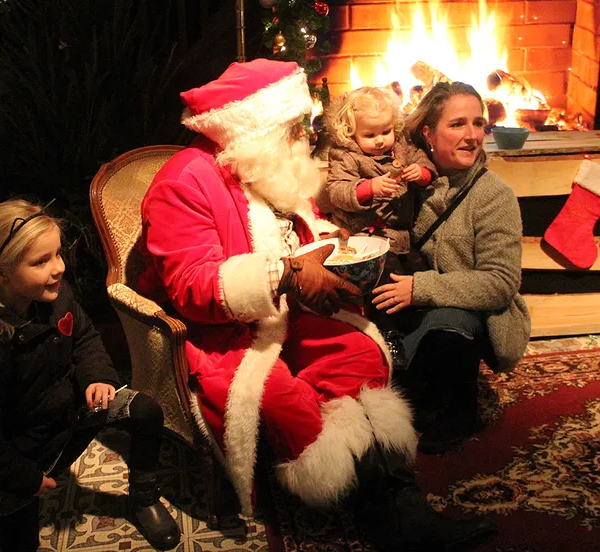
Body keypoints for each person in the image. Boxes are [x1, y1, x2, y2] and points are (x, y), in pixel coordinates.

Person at [138, 58, 496, 551]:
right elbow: (191, 287)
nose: (301, 138)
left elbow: (304, 228)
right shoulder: (185, 182)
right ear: (255, 128)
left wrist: (332, 242)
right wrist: (285, 272)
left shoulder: (264, 163)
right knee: (286, 404)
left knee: (360, 356)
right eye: (290, 128)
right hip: (224, 331)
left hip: (290, 310)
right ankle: (381, 514)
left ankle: (401, 504)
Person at [0, 200, 180, 552]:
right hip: (23, 451)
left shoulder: (55, 296)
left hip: (70, 412)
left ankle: (144, 497)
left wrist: (96, 377)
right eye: (40, 262)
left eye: (57, 254)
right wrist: (24, 478)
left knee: (145, 410)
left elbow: (86, 338)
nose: (58, 268)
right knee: (17, 534)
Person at [371, 82, 532, 455]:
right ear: (428, 133)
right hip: (409, 296)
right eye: (458, 124)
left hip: (469, 311)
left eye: (478, 123)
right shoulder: (407, 183)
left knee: (451, 325)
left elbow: (500, 283)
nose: (473, 135)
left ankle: (459, 411)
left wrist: (419, 289)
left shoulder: (493, 195)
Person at [321, 86, 436, 369]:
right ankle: (388, 334)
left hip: (401, 235)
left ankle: (422, 329)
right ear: (351, 132)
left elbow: (427, 167)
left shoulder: (403, 146)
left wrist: (420, 174)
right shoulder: (346, 155)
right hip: (364, 238)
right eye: (369, 135)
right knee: (383, 282)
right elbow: (337, 191)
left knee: (419, 273)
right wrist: (368, 188)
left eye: (385, 132)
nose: (379, 141)